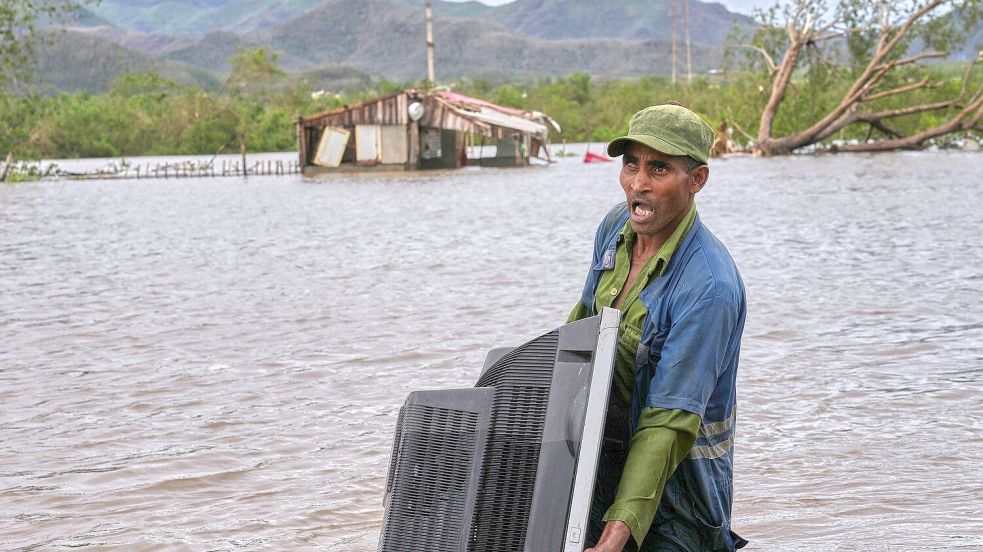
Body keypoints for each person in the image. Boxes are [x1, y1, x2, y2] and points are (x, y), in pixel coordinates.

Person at [568, 103, 747, 552]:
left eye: (659, 168)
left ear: (697, 180)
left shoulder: (709, 288)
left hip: (678, 497)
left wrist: (615, 536)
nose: (638, 184)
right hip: (600, 464)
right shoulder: (615, 228)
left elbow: (666, 424)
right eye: (631, 164)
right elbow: (578, 336)